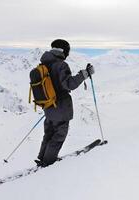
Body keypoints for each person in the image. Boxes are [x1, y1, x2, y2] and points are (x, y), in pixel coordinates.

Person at [35, 39, 95, 167]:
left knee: (49, 134)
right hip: (60, 107)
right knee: (58, 136)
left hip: (48, 105)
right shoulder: (61, 65)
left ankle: (42, 158)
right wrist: (85, 74)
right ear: (64, 50)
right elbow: (69, 84)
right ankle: (48, 161)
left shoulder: (44, 64)